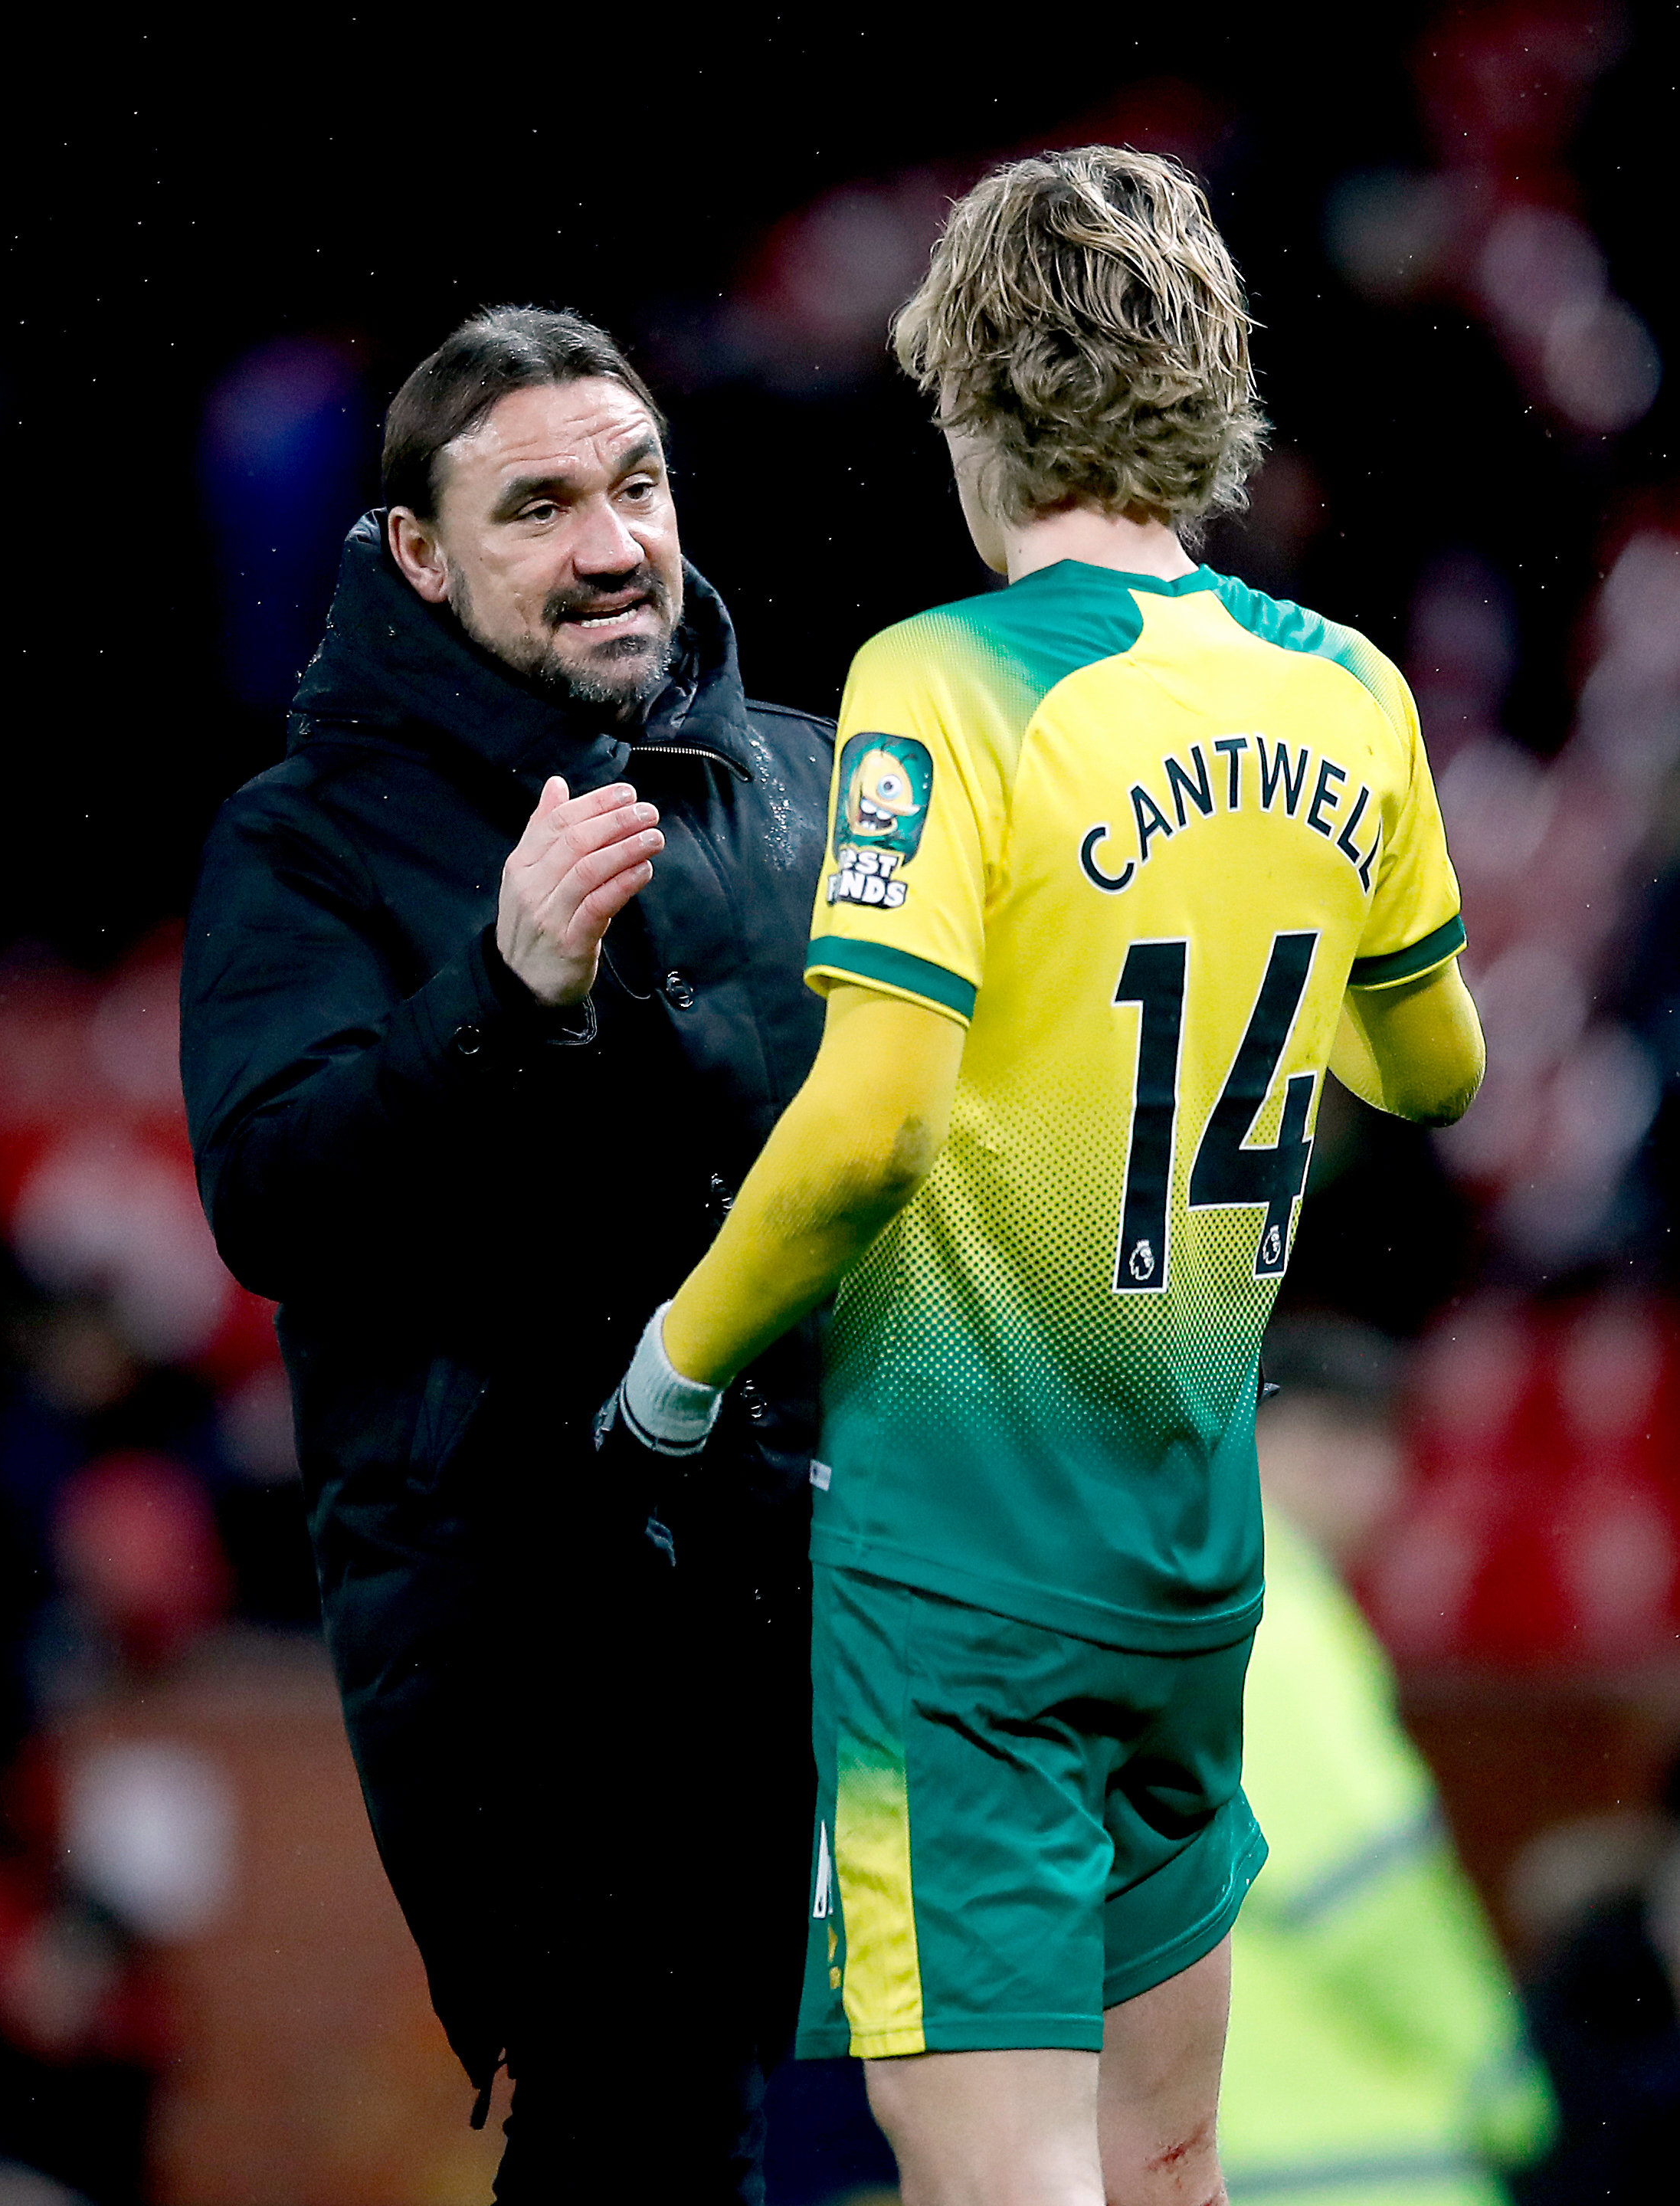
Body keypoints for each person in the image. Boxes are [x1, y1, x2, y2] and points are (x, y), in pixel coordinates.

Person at [605, 146, 1487, 2205]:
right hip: (1193, 1553)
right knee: (1164, 2158)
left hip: (961, 1571)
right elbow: (1432, 1062)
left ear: (972, 401)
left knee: (996, 2176)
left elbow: (868, 1119)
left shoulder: (945, 679)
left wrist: (674, 1361)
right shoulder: (1347, 691)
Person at [179, 306, 834, 2201]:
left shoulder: (807, 779)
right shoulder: (304, 839)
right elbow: (273, 1202)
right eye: (537, 505)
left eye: (636, 486)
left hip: (838, 1558)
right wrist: (500, 988)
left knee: (926, 2107)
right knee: (638, 2118)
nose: (616, 543)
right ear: (416, 551)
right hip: (537, 1614)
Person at [1220, 1318, 1554, 2206]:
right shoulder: (1273, 1617)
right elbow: (1364, 1885)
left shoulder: (1166, 1600)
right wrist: (1499, 2077)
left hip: (1215, 2143)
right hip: (1351, 2160)